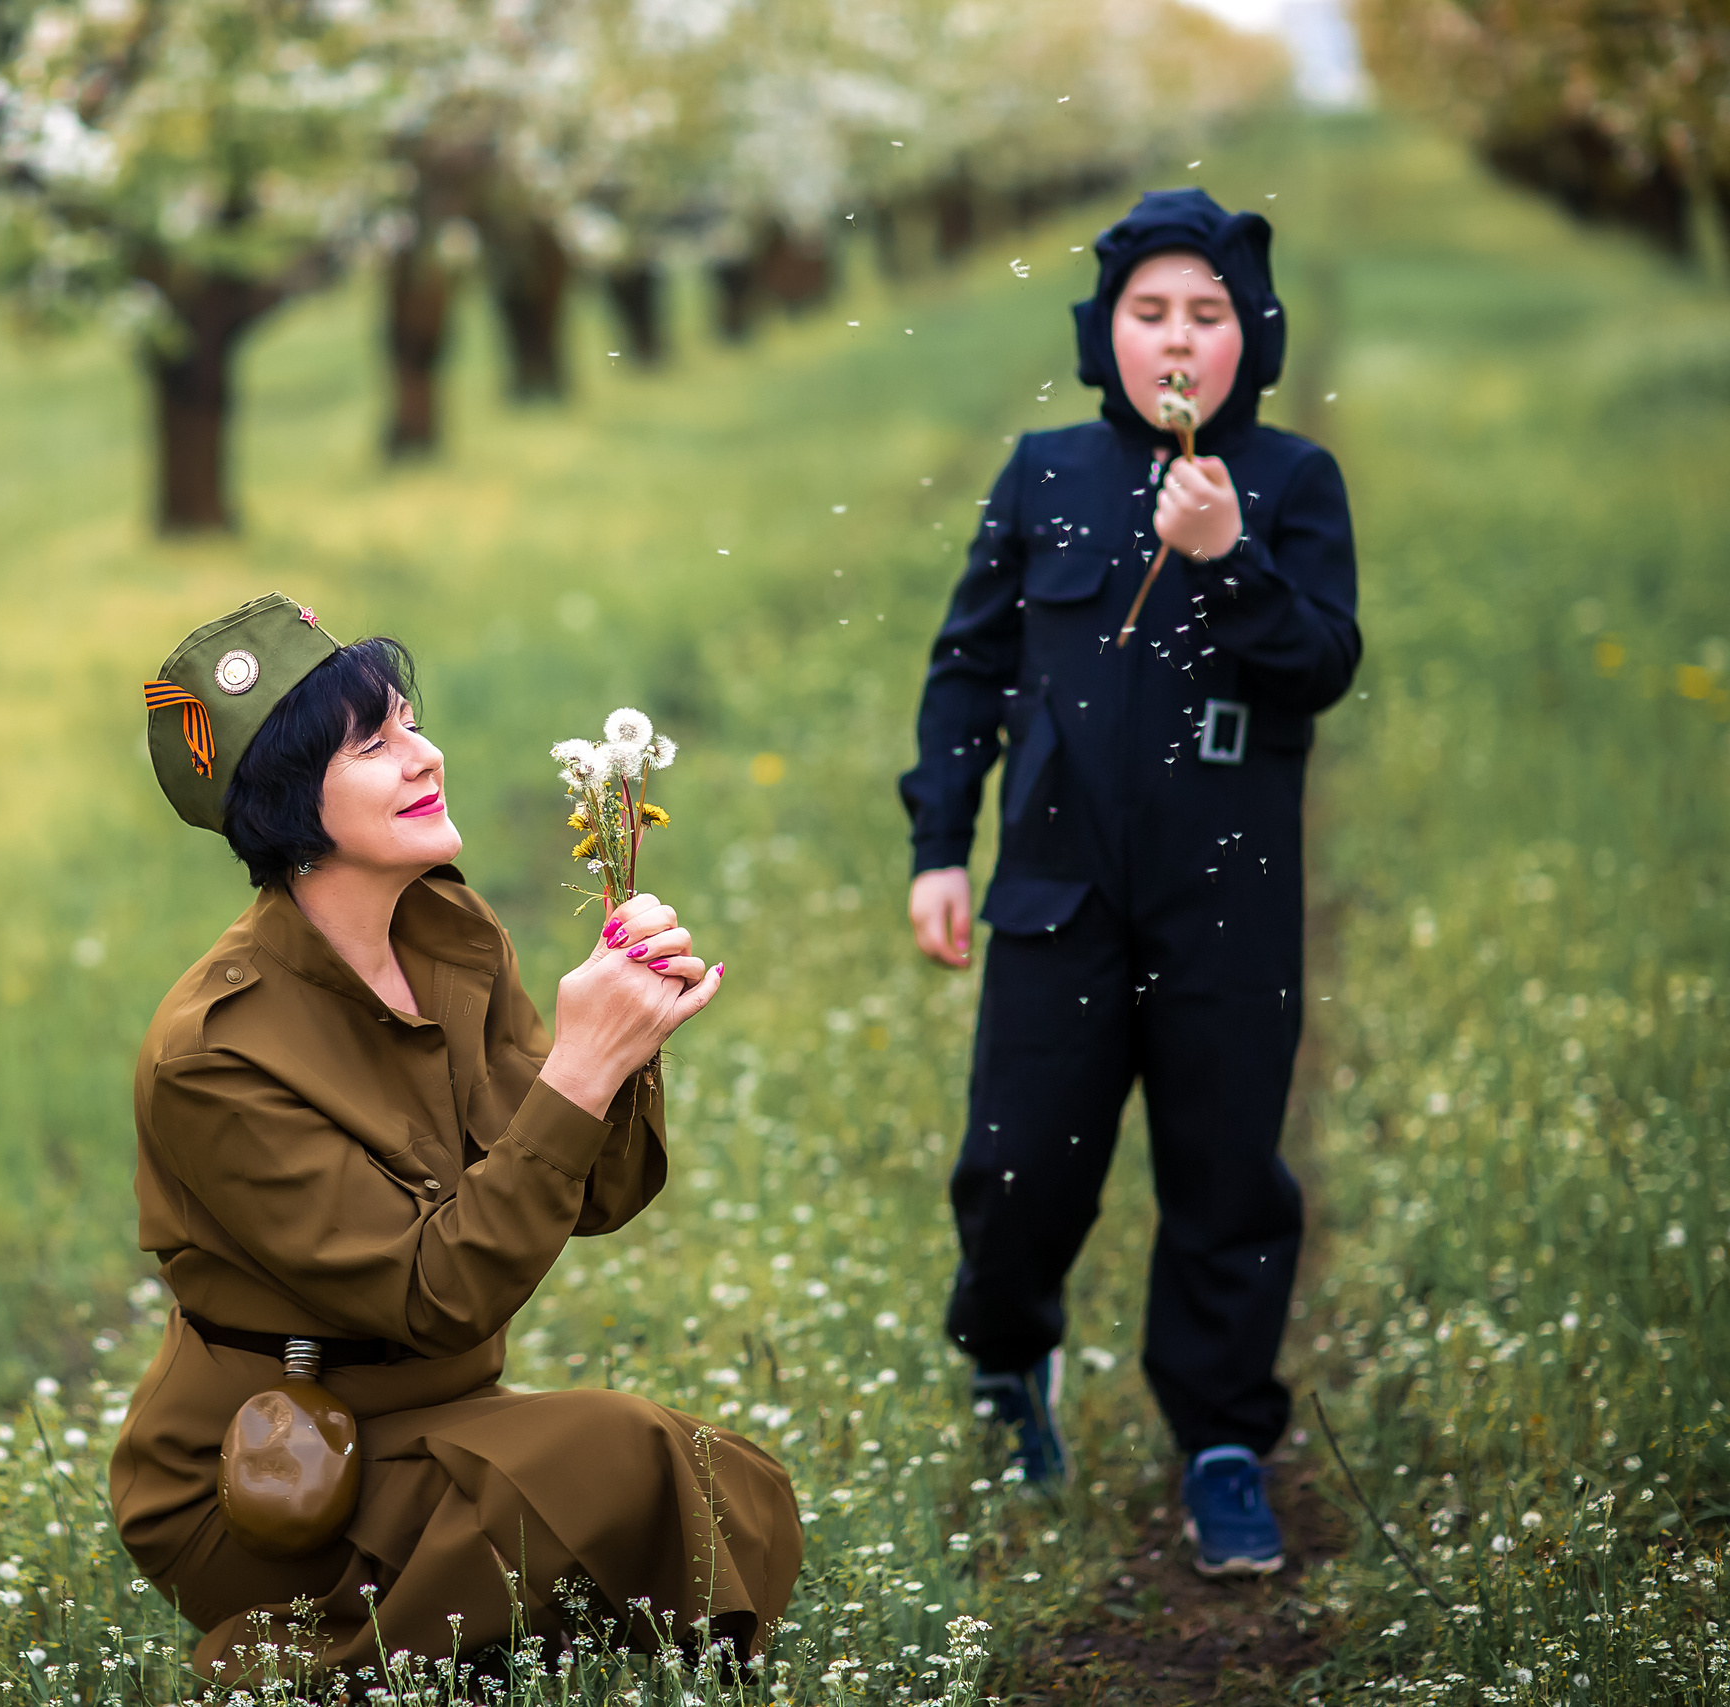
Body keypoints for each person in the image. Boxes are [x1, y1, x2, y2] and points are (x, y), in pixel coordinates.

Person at [113, 593, 801, 1677]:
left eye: (409, 722)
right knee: (631, 1460)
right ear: (289, 800)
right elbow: (436, 1295)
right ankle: (296, 1658)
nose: (424, 756)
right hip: (271, 1484)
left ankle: (480, 1651)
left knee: (723, 1479)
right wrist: (579, 1067)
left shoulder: (445, 928)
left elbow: (594, 1196)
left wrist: (621, 1044)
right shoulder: (216, 1052)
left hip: (435, 1419)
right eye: (375, 744)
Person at [898, 190, 1360, 1576]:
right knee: (1020, 1161)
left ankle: (1223, 1440)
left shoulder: (1289, 483)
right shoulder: (1045, 472)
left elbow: (1323, 664)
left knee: (1225, 1176)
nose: (1176, 339)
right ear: (1105, 332)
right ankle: (1005, 1352)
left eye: (1206, 316)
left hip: (1229, 905)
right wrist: (940, 843)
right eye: (1149, 312)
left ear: (1249, 337)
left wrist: (1229, 559)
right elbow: (967, 668)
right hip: (1055, 896)